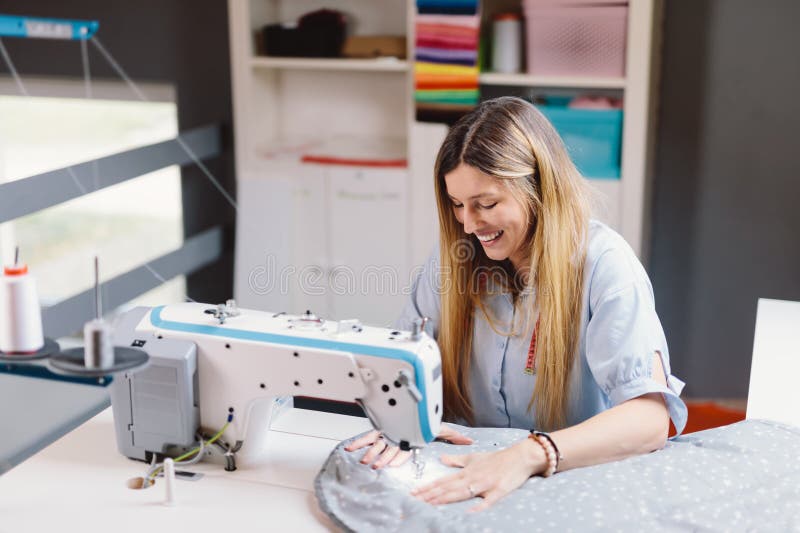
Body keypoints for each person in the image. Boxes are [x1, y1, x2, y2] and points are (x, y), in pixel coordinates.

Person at [346, 96, 687, 512]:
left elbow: (649, 422)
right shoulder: (454, 260)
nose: (469, 224)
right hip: (467, 473)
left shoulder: (605, 267)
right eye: (457, 205)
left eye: (486, 204)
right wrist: (397, 419)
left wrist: (529, 454)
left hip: (569, 483)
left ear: (539, 187)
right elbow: (399, 365)